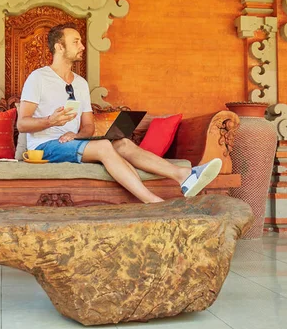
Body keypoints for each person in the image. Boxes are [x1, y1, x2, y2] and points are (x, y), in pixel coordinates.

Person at [17, 23, 222, 204]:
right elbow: (22, 124)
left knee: (122, 143)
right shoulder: (39, 78)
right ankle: (153, 202)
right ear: (59, 47)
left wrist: (77, 135)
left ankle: (184, 175)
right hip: (44, 147)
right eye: (76, 42)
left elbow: (88, 125)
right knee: (105, 146)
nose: (82, 46)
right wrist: (50, 121)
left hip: (71, 143)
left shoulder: (80, 83)